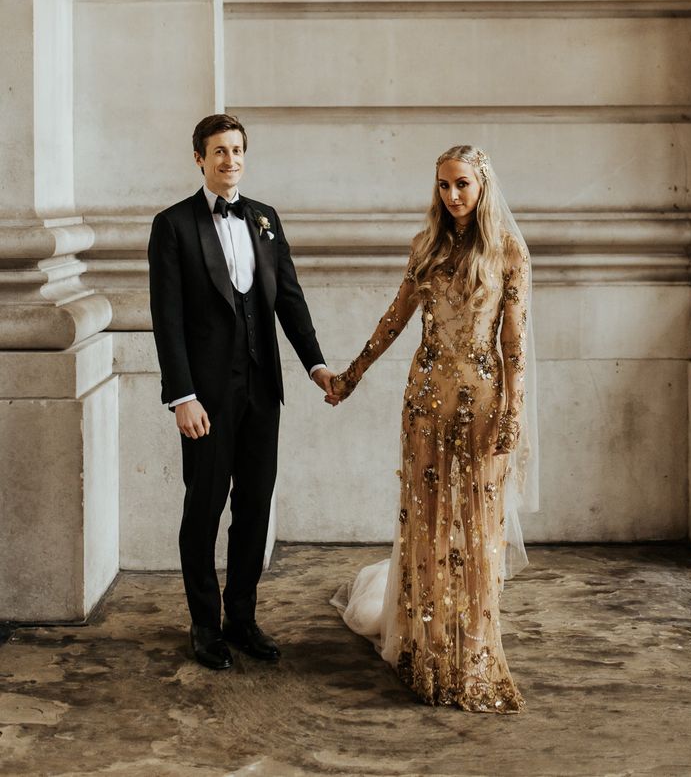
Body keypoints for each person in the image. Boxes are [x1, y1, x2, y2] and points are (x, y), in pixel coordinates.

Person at [326, 144, 538, 713]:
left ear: (483, 185)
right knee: (427, 526)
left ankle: (472, 651)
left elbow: (514, 347)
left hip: (482, 404)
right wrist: (351, 374)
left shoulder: (509, 252)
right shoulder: (426, 247)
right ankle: (426, 648)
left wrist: (513, 413)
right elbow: (395, 318)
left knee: (476, 530)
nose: (452, 196)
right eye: (443, 186)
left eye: (462, 185)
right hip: (424, 403)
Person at [148, 113, 335, 670]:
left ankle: (243, 618)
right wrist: (182, 396)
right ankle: (205, 626)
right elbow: (168, 319)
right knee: (203, 508)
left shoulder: (265, 219)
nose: (229, 160)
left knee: (255, 507)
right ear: (199, 159)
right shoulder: (173, 225)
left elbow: (290, 301)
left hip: (262, 390)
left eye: (237, 150)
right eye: (218, 152)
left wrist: (316, 365)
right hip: (206, 397)